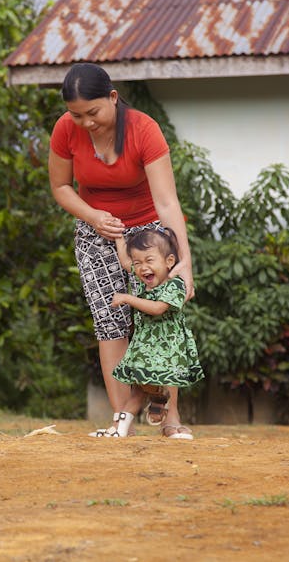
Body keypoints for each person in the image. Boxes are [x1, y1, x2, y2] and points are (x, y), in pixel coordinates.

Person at [48, 62, 196, 437]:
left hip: (148, 232)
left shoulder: (144, 130)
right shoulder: (66, 130)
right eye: (76, 114)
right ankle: (121, 423)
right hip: (95, 230)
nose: (85, 123)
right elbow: (61, 187)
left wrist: (185, 263)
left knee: (159, 320)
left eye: (93, 112)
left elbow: (167, 203)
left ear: (113, 98)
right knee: (108, 320)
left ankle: (171, 419)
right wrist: (94, 216)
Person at [103, 228, 203, 439]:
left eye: (149, 260)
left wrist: (127, 298)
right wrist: (120, 239)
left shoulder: (175, 285)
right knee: (139, 385)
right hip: (145, 345)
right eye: (138, 263)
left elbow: (158, 308)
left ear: (169, 261)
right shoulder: (142, 279)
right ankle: (151, 402)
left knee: (144, 385)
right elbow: (124, 262)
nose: (142, 268)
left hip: (167, 347)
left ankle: (131, 419)